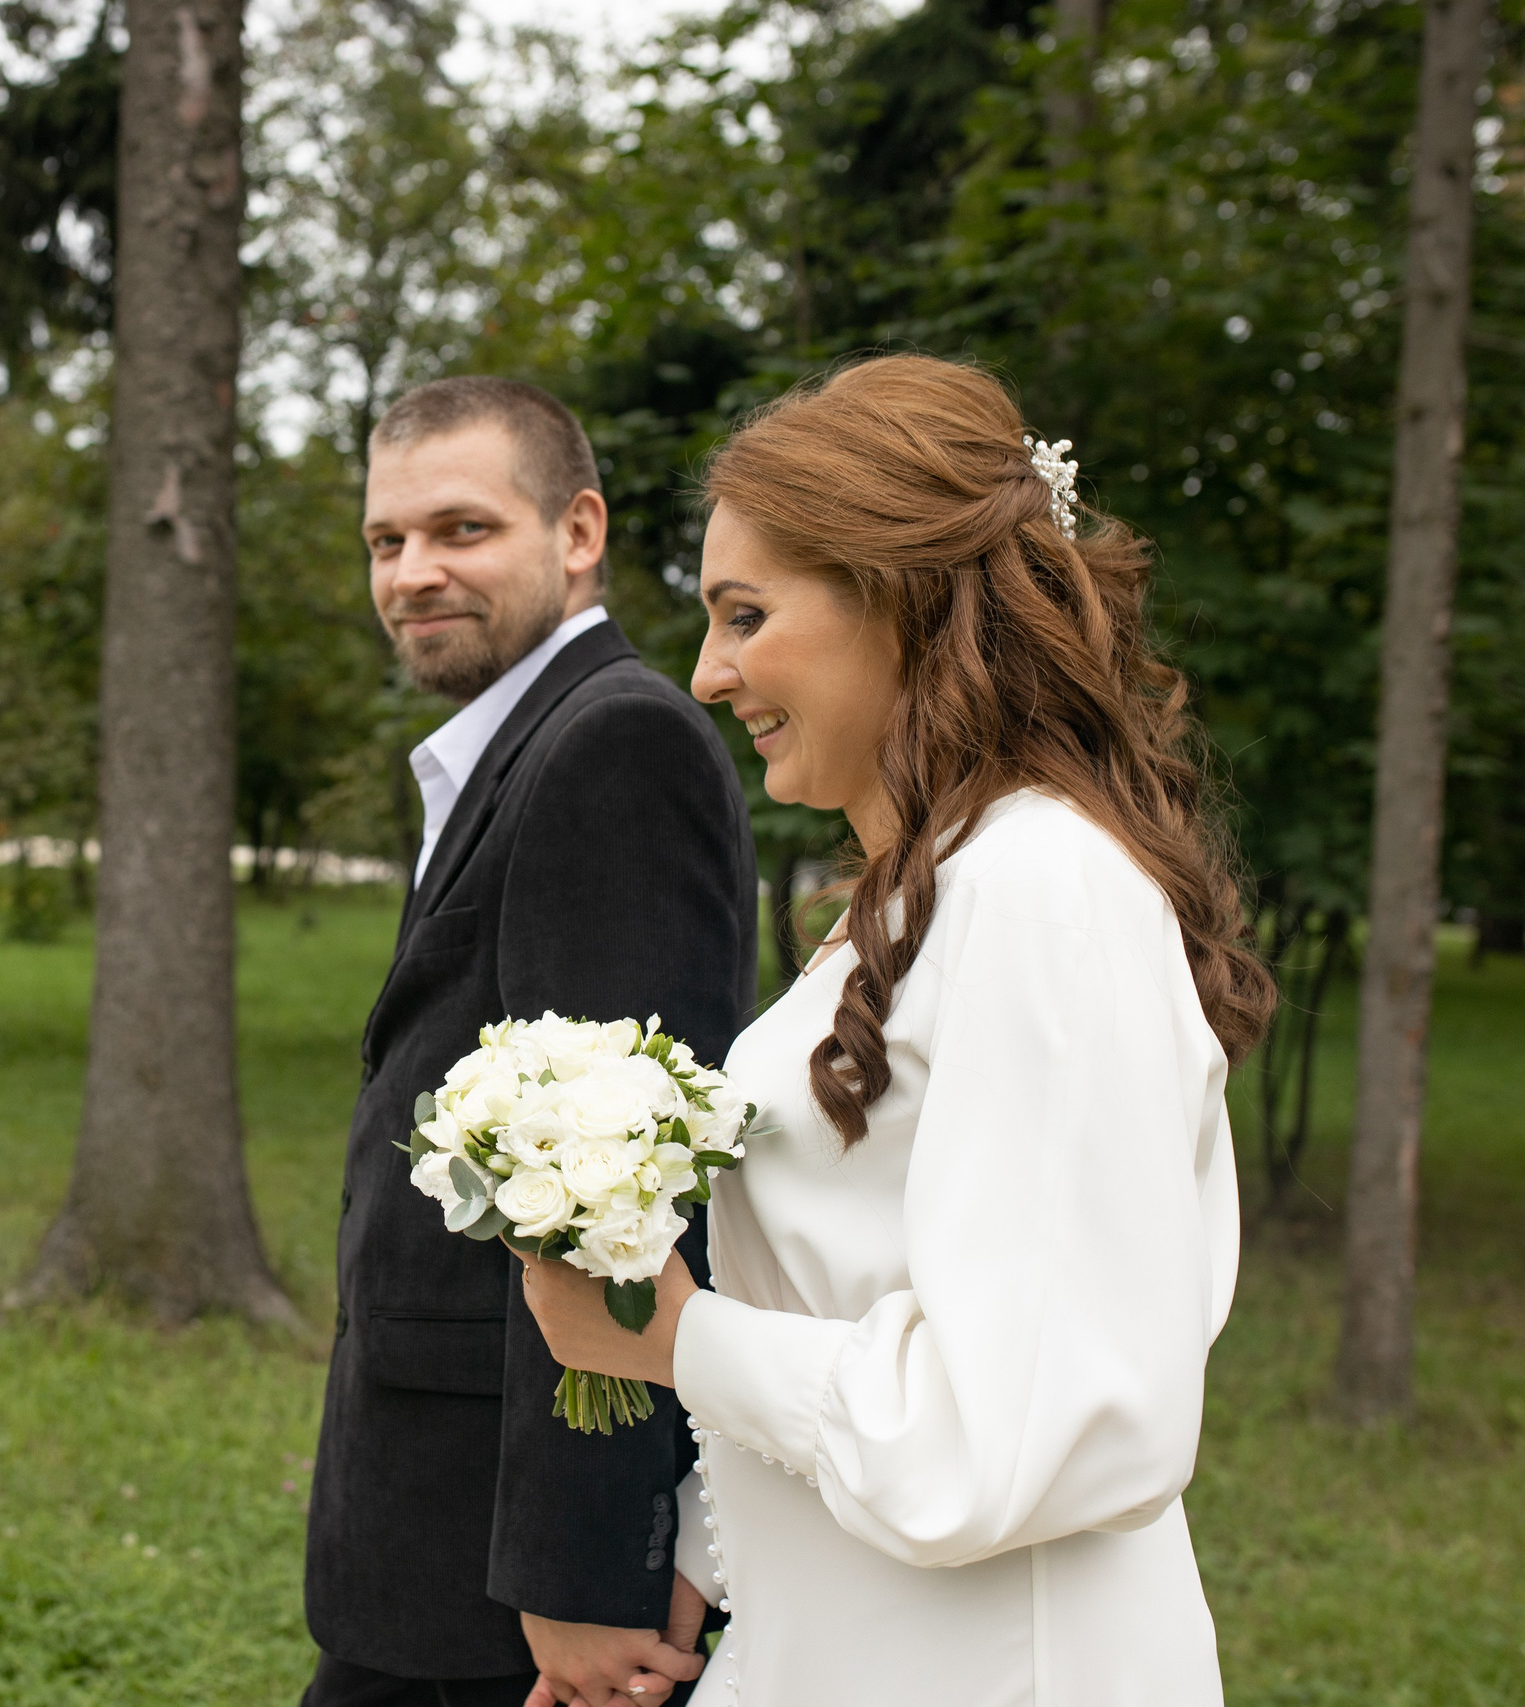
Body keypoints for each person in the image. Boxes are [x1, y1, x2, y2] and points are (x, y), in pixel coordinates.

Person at [517, 354, 1278, 1706]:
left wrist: (667, 1332)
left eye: (745, 615)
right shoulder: (924, 893)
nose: (706, 674)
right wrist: (697, 1573)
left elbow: (1016, 1433)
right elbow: (859, 1294)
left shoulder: (1045, 890)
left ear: (902, 599)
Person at [303, 376, 760, 1707]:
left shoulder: (614, 746)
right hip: (432, 1528)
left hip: (502, 1594)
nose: (412, 573)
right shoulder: (509, 747)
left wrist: (581, 1579)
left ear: (578, 533)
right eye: (386, 542)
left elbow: (623, 1194)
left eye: (460, 529)